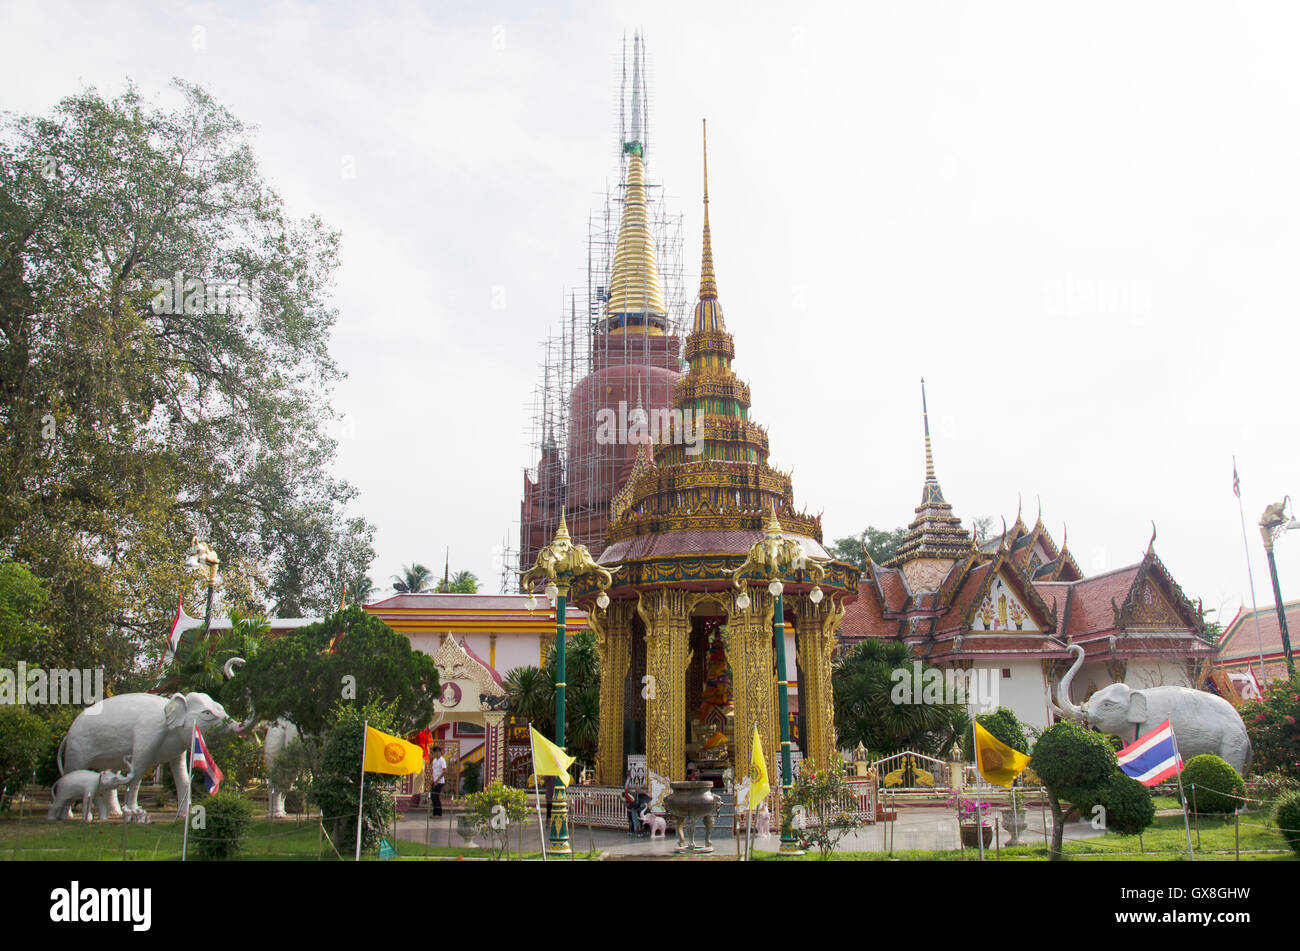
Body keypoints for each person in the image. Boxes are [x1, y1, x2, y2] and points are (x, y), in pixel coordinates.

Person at [429, 746, 447, 817]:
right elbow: (433, 770)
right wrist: (432, 779)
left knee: (435, 797)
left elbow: (445, 771)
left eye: (437, 752)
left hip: (439, 782)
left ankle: (438, 814)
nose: (436, 754)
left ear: (440, 752)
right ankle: (435, 813)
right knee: (433, 797)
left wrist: (437, 780)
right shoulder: (434, 760)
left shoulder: (442, 760)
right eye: (434, 752)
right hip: (434, 781)